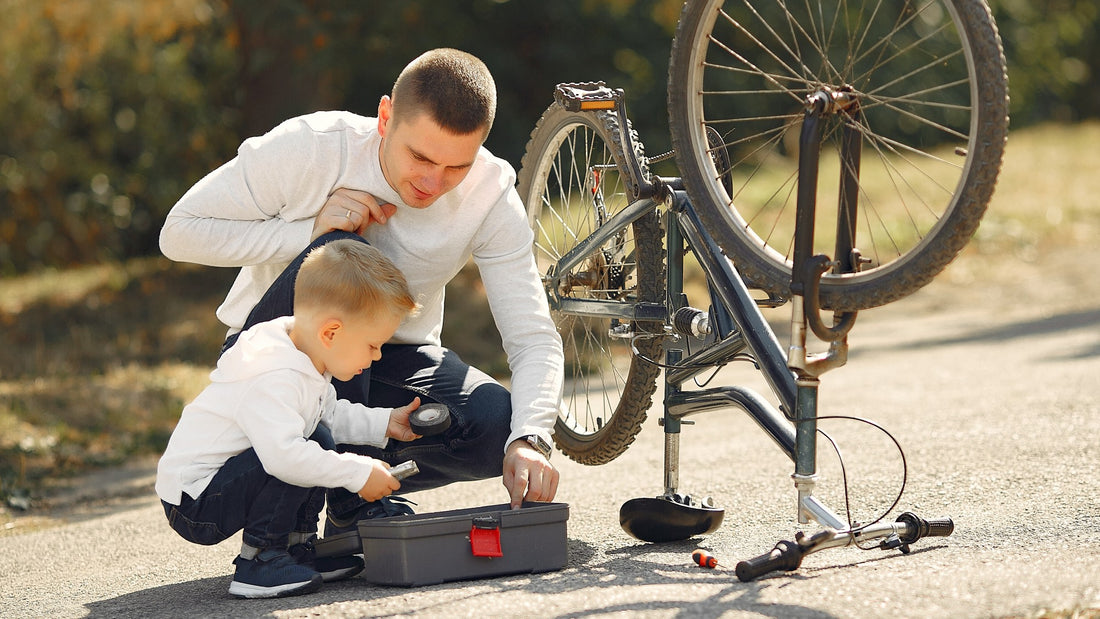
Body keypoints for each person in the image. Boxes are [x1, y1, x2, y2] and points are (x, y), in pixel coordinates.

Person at [159, 48, 564, 531]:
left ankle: (353, 496)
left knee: (496, 425)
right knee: (344, 247)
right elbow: (178, 231)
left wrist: (532, 438)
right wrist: (308, 233)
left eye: (457, 166)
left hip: (391, 361)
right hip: (284, 359)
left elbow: (532, 333)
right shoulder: (313, 147)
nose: (433, 182)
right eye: (420, 156)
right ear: (386, 116)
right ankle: (306, 517)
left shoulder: (490, 193)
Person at [156, 240, 421, 598]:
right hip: (196, 501)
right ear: (331, 332)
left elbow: (329, 414)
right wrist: (357, 474)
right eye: (373, 345)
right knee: (297, 454)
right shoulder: (273, 373)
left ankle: (298, 549)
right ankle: (260, 560)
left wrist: (384, 423)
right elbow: (284, 458)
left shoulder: (308, 355)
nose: (375, 356)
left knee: (319, 438)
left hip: (232, 476)